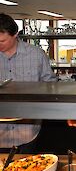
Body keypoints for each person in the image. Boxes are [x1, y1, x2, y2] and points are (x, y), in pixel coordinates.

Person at [0, 13, 57, 154]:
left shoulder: (37, 55)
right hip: (0, 132)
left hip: (27, 131)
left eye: (2, 41)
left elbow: (50, 85)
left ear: (15, 35)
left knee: (28, 169)